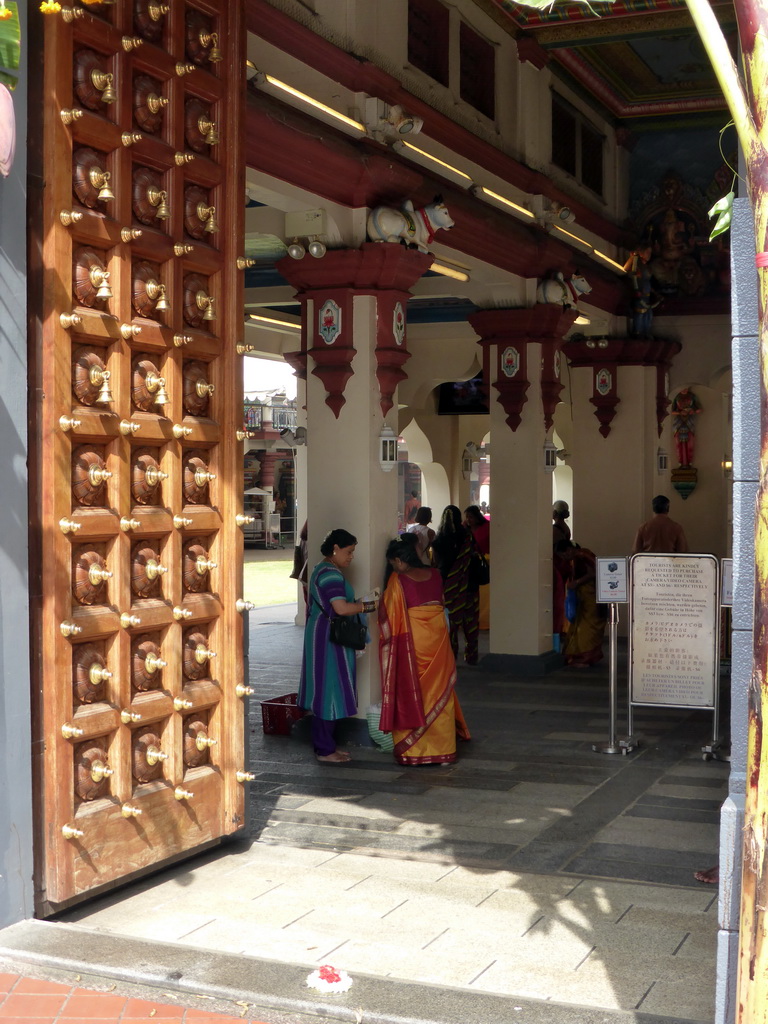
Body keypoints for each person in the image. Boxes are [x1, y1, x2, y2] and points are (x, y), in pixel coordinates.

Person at [378, 534, 470, 765]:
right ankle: (444, 749)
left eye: (392, 564)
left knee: (414, 689)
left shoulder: (398, 581)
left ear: (399, 561)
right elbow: (441, 602)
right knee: (441, 691)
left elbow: (388, 614)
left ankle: (415, 750)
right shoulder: (436, 574)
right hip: (438, 638)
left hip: (415, 643)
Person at [298, 528, 376, 763]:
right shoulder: (330, 573)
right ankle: (324, 750)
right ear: (335, 549)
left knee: (326, 688)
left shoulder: (323, 569)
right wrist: (366, 607)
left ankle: (326, 746)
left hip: (323, 633)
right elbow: (341, 608)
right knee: (328, 690)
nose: (351, 557)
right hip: (328, 638)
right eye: (349, 551)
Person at [432, 505, 479, 665]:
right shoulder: (467, 536)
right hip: (469, 584)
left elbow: (436, 562)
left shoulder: (439, 539)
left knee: (450, 621)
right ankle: (471, 655)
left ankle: (451, 656)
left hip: (449, 586)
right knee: (471, 620)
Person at [557, 541, 607, 668]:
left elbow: (595, 572)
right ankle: (579, 657)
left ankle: (585, 658)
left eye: (563, 555)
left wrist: (577, 582)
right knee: (579, 628)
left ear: (568, 550)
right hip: (584, 598)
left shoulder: (582, 556)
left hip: (591, 598)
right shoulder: (578, 557)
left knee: (586, 629)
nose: (564, 559)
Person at [464, 505, 490, 631]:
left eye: (471, 517)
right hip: (470, 565)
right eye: (467, 517)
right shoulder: (465, 529)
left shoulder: (487, 528)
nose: (469, 520)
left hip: (485, 562)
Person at [552, 501, 571, 647]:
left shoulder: (554, 530)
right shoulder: (565, 528)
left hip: (556, 565)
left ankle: (556, 628)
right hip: (562, 565)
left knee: (555, 599)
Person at [671, 387, 702, 467]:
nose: (684, 389)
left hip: (689, 421)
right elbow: (673, 411)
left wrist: (693, 411)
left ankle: (689, 461)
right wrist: (680, 413)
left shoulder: (692, 396)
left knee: (690, 442)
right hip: (679, 422)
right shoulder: (677, 396)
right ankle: (680, 462)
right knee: (678, 442)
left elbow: (699, 409)